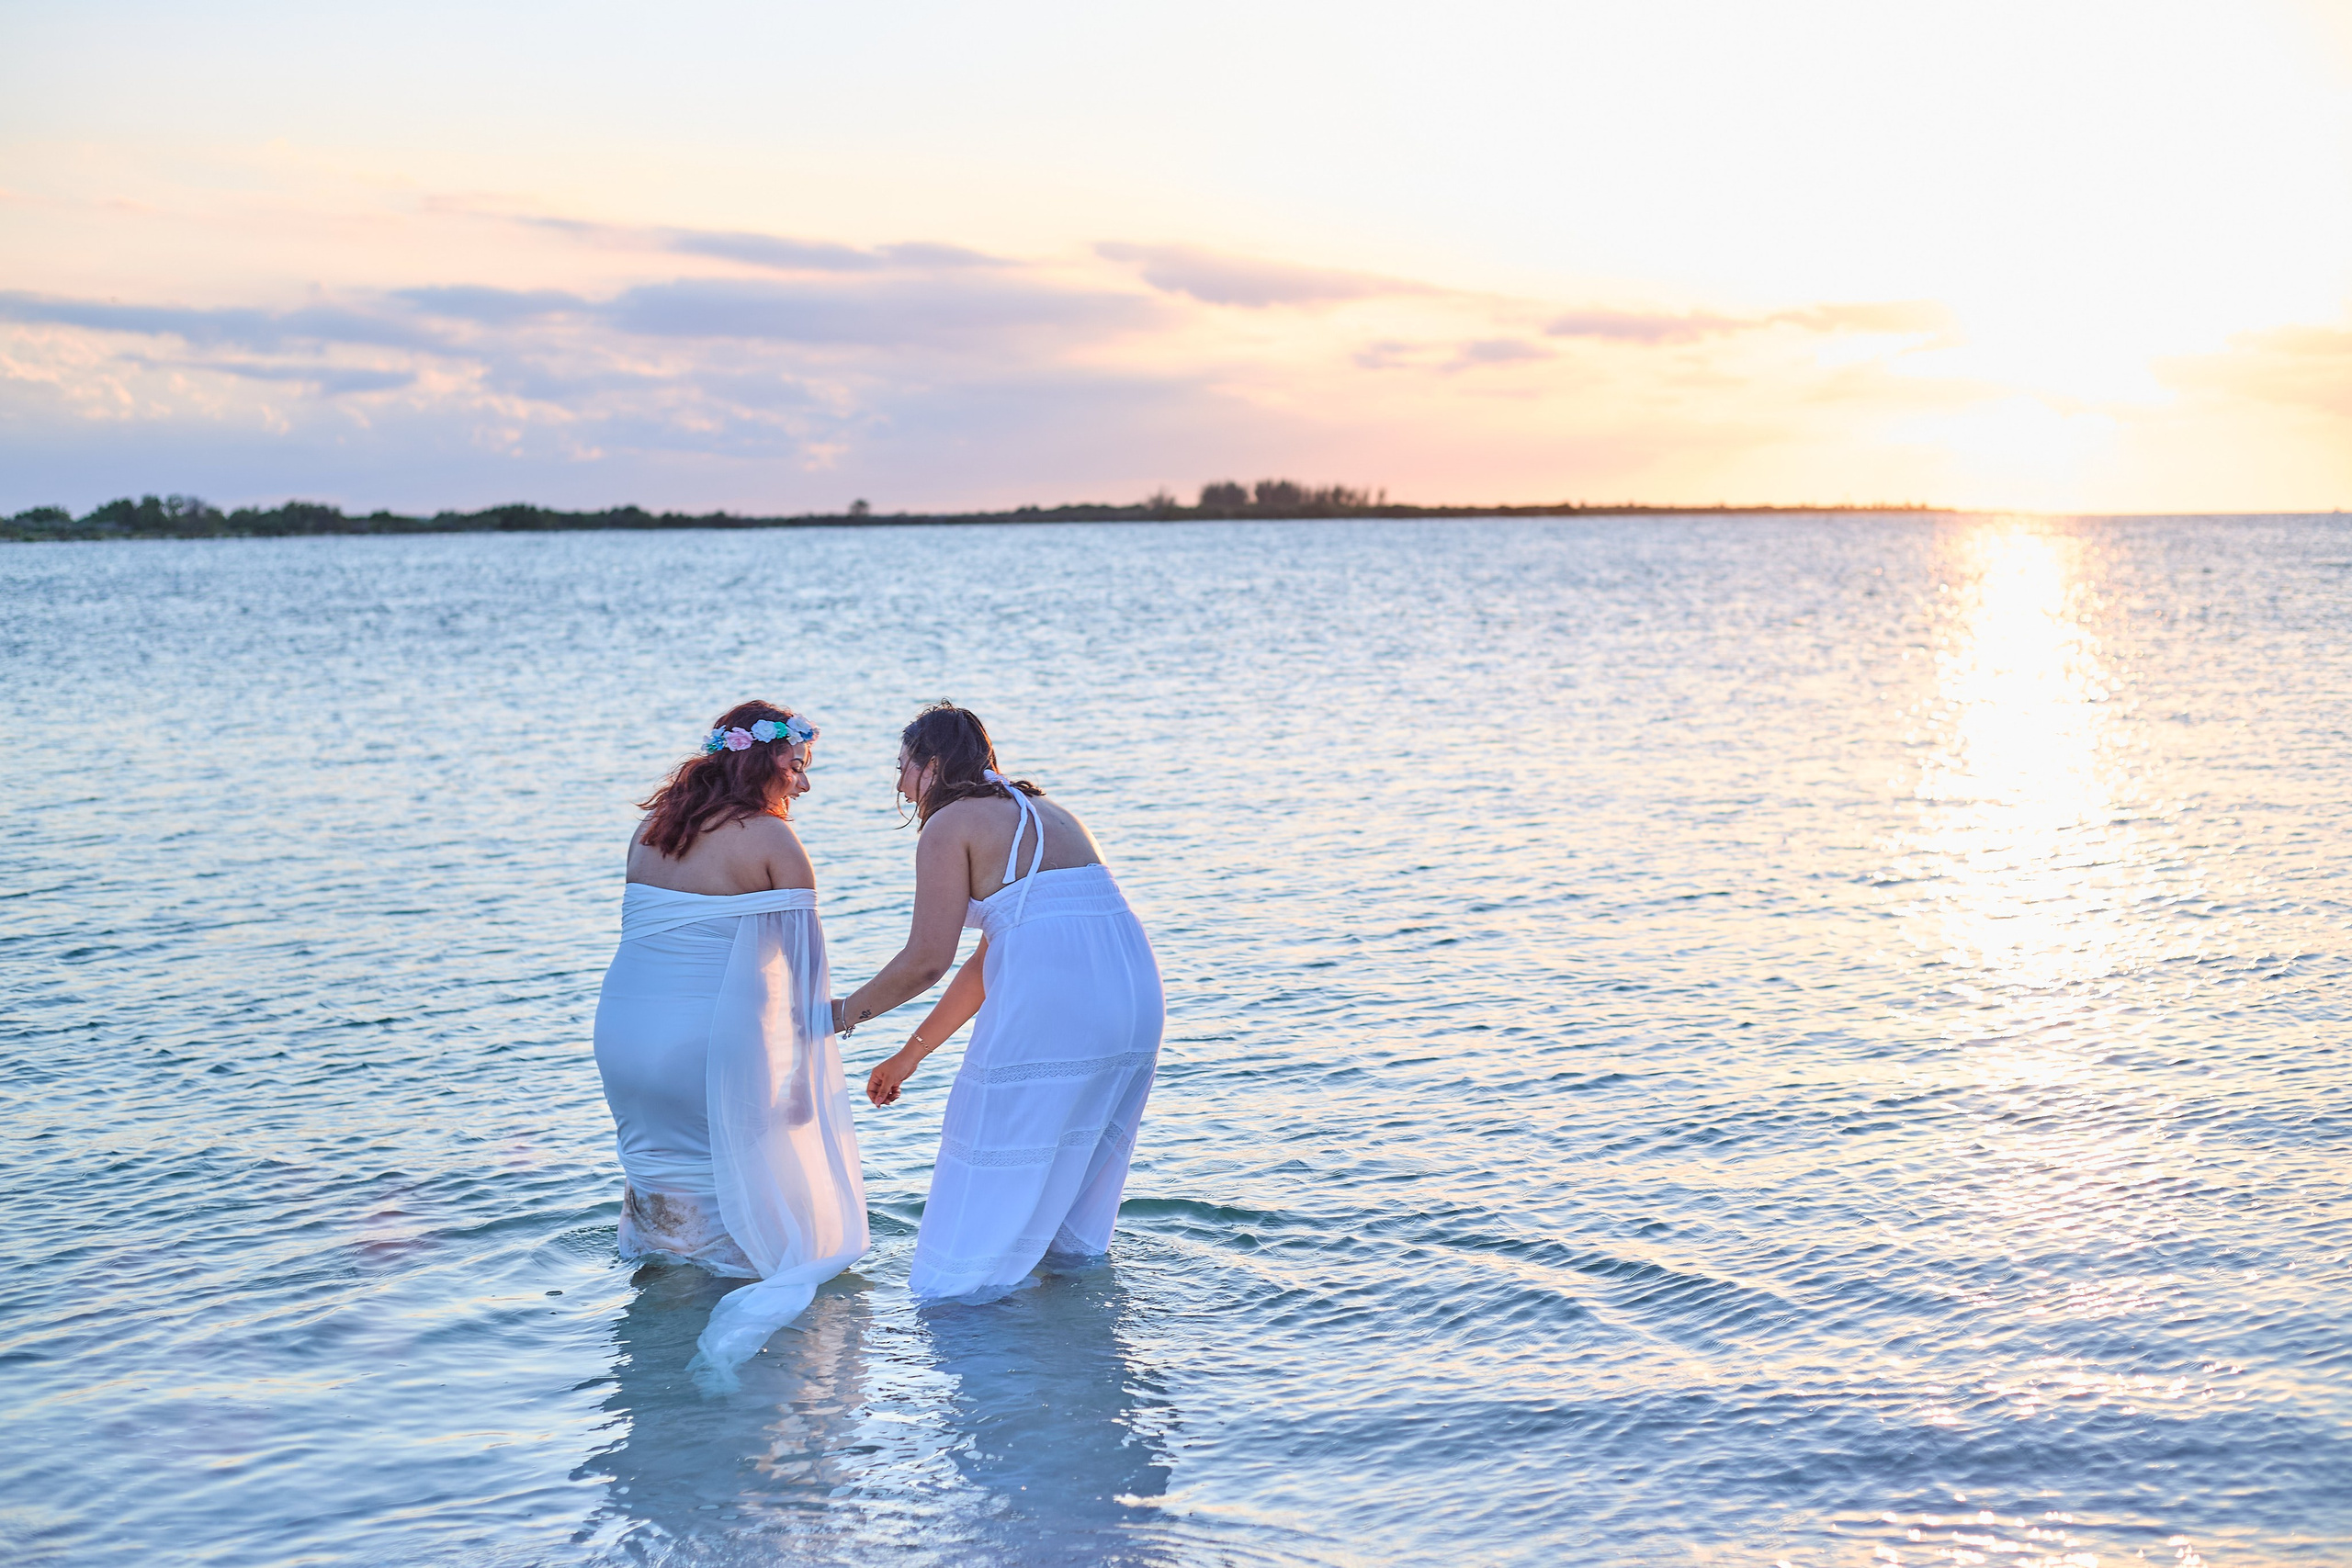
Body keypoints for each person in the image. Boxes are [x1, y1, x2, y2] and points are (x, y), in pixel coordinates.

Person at [836, 704, 1163, 1302]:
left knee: (987, 1168)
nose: (899, 785)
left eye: (902, 766)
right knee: (1071, 1185)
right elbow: (987, 962)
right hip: (1132, 996)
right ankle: (1065, 1316)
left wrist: (841, 1014)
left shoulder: (950, 824)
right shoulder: (1049, 810)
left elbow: (927, 959)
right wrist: (908, 1056)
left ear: (933, 765)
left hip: (1060, 1000)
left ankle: (957, 1308)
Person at [591, 700, 867, 1382]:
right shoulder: (773, 842)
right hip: (708, 1044)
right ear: (764, 762)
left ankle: (654, 1353)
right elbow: (805, 985)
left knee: (666, 1182)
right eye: (797, 766)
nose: (805, 784)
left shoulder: (653, 830)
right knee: (742, 1213)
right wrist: (804, 1081)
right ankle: (726, 1362)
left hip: (622, 1034)